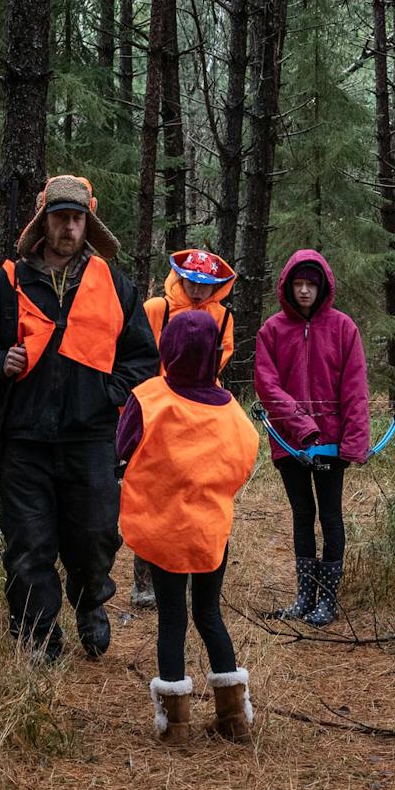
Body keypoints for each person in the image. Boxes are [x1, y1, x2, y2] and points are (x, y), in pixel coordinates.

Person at [0, 175, 157, 661]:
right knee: (29, 545)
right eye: (60, 217)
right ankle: (39, 637)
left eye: (77, 218)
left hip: (91, 439)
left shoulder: (113, 284)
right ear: (43, 222)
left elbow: (143, 358)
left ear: (88, 223)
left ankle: (90, 602)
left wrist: (108, 393)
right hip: (24, 440)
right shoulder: (8, 281)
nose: (68, 227)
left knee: (94, 536)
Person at [114, 305, 258, 742]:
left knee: (172, 620)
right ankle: (233, 719)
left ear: (167, 348)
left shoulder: (149, 398)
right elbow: (245, 457)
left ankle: (175, 725)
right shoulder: (230, 409)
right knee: (209, 614)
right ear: (215, 355)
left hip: (166, 532)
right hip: (211, 531)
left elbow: (122, 448)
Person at [251, 249, 368, 627]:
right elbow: (267, 387)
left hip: (332, 443)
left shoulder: (343, 328)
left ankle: (327, 600)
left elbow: (355, 389)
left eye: (310, 285)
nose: (304, 291)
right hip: (289, 442)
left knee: (331, 516)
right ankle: (305, 596)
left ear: (322, 288)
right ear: (287, 286)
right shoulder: (271, 330)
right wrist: (302, 427)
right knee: (303, 515)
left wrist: (354, 442)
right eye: (298, 284)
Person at [126, 248, 238, 607]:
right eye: (192, 282)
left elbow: (221, 359)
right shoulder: (156, 309)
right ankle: (144, 583)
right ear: (180, 278)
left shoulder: (223, 316)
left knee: (195, 495)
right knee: (154, 496)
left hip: (203, 413)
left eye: (207, 285)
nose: (198, 291)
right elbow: (139, 355)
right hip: (159, 410)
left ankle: (194, 571)